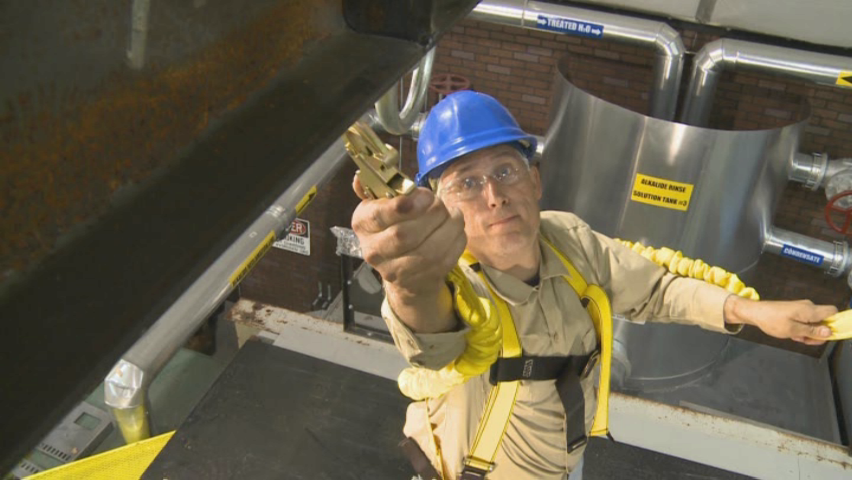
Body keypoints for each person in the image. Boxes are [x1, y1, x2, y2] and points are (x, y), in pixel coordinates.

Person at [350, 91, 838, 479]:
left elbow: (656, 290)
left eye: (505, 171)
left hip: (564, 460)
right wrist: (408, 284)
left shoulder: (568, 240)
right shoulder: (454, 283)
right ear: (441, 205)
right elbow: (433, 343)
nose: (495, 196)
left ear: (535, 181)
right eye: (466, 183)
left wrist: (753, 312)